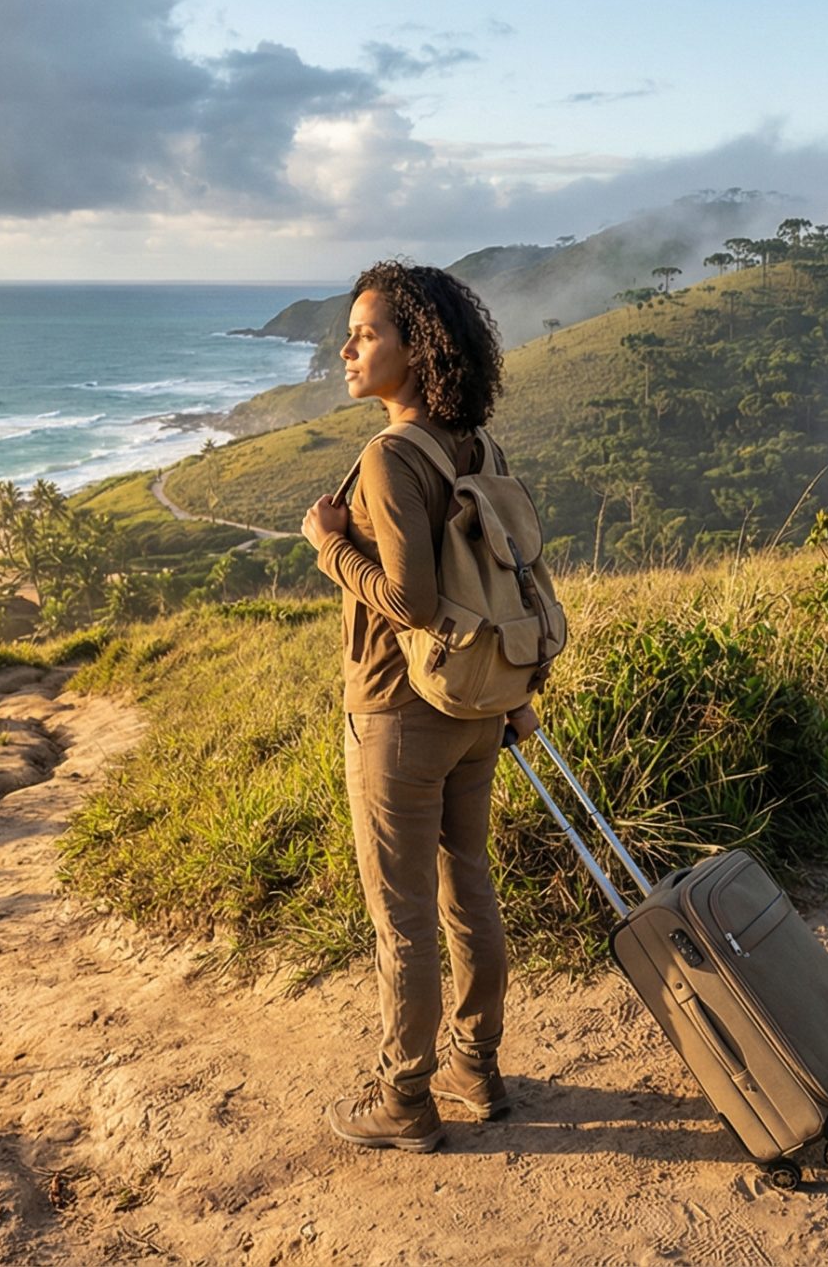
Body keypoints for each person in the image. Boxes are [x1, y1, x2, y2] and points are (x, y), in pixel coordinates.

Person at [302, 260, 541, 1154]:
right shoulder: (478, 449)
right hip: (480, 700)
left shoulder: (391, 456)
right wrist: (519, 696)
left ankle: (404, 1094)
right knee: (467, 884)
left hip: (398, 714)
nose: (348, 350)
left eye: (366, 335)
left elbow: (408, 598)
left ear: (418, 348)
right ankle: (476, 1066)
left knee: (401, 915)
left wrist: (330, 546)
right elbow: (509, 583)